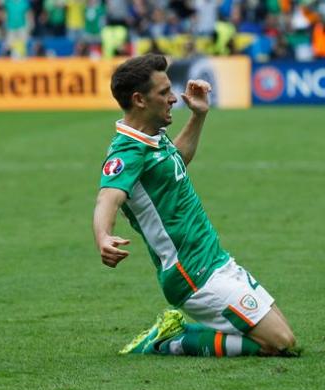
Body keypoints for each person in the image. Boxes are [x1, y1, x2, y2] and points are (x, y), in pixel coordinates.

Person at [92, 54, 299, 357]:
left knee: (283, 332)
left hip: (215, 259)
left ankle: (180, 334)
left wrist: (198, 115)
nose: (173, 98)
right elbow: (107, 197)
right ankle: (171, 341)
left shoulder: (152, 137)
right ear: (139, 100)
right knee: (280, 342)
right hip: (192, 275)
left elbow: (176, 162)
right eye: (163, 93)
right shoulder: (127, 151)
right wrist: (103, 236)